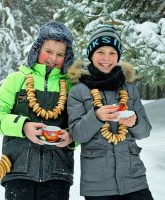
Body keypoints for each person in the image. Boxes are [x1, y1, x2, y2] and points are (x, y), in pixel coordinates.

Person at [0, 21, 75, 200]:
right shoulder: (16, 79)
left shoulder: (72, 86)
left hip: (58, 174)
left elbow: (81, 123)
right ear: (37, 50)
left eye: (60, 54)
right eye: (48, 51)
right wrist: (23, 126)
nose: (53, 58)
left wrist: (72, 137)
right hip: (18, 171)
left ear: (66, 58)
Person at [67, 25, 154, 200]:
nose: (106, 58)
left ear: (118, 56)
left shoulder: (130, 89)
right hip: (98, 186)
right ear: (91, 54)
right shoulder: (78, 91)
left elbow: (145, 132)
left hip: (135, 180)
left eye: (112, 53)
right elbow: (77, 134)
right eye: (100, 51)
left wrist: (135, 122)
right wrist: (96, 116)